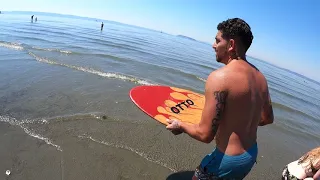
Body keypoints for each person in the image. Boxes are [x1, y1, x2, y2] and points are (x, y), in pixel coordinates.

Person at [166, 18, 274, 179]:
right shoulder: (260, 77)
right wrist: (238, 120)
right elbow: (267, 118)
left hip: (226, 160)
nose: (213, 45)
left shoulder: (219, 78)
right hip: (250, 155)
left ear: (230, 45)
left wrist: (180, 125)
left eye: (217, 40)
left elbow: (205, 135)